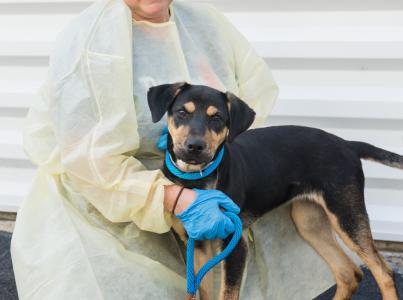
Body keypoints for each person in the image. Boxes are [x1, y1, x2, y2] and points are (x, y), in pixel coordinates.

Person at [11, 0, 337, 299]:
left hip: (196, 181)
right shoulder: (92, 43)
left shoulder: (202, 22)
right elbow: (85, 160)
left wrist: (209, 159)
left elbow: (252, 93)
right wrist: (172, 196)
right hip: (106, 203)